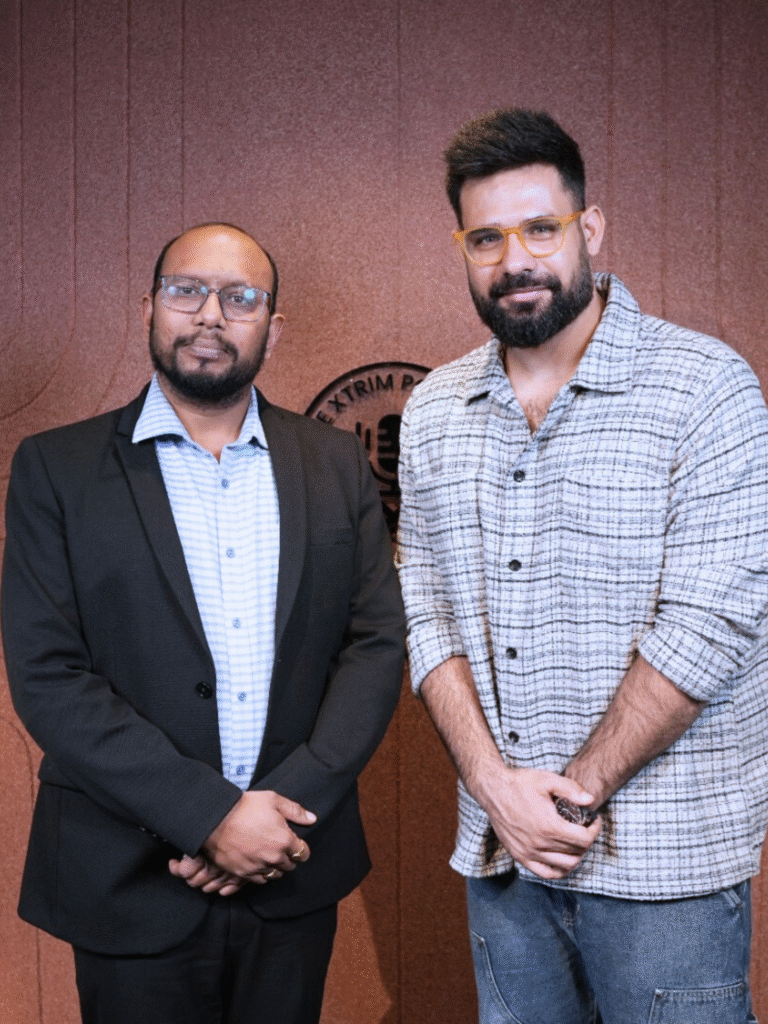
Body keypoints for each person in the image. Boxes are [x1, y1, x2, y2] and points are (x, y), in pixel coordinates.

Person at [396, 108, 768, 1023]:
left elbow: (710, 625)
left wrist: (567, 801)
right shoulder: (437, 408)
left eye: (540, 228)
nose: (513, 259)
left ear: (589, 230)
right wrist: (495, 790)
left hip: (667, 863)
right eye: (486, 237)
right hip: (502, 858)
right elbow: (427, 612)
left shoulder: (707, 387)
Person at [2, 222, 405, 1024]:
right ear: (151, 306)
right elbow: (49, 676)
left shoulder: (331, 463)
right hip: (127, 878)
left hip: (292, 865)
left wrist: (275, 813)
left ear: (273, 326)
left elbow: (375, 647)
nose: (211, 314)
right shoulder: (57, 468)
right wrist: (212, 816)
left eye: (240, 297)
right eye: (187, 290)